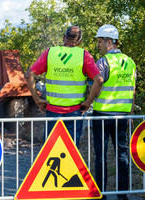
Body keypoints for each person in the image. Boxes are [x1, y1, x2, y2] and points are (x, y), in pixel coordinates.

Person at [25, 26, 103, 147]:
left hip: (52, 112)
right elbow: (99, 80)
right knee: (71, 152)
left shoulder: (50, 53)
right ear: (79, 41)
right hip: (75, 112)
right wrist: (88, 102)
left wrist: (37, 99)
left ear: (63, 38)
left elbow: (29, 74)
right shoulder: (84, 55)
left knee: (51, 151)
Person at [92, 24, 136, 200]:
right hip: (122, 116)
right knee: (122, 155)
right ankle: (122, 195)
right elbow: (132, 91)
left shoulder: (103, 62)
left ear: (110, 42)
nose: (98, 45)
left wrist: (89, 100)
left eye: (100, 41)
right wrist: (131, 113)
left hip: (102, 115)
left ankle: (100, 194)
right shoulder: (130, 62)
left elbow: (98, 81)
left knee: (100, 155)